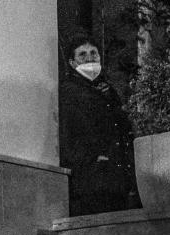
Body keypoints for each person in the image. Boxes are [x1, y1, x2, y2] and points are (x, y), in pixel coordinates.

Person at [59, 31, 136, 214]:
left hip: (116, 177)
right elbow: (70, 132)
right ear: (72, 62)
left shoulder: (107, 90)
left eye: (93, 53)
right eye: (82, 55)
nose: (89, 58)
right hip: (92, 179)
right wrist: (93, 158)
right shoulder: (70, 91)